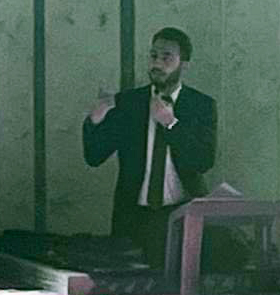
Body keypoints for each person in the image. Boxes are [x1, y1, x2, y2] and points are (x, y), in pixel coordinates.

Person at [82, 27, 217, 266]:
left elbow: (203, 161)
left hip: (181, 215)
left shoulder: (201, 105)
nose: (157, 63)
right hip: (134, 217)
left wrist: (171, 124)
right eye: (153, 56)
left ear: (184, 64)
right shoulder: (129, 103)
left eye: (167, 57)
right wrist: (94, 120)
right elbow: (94, 156)